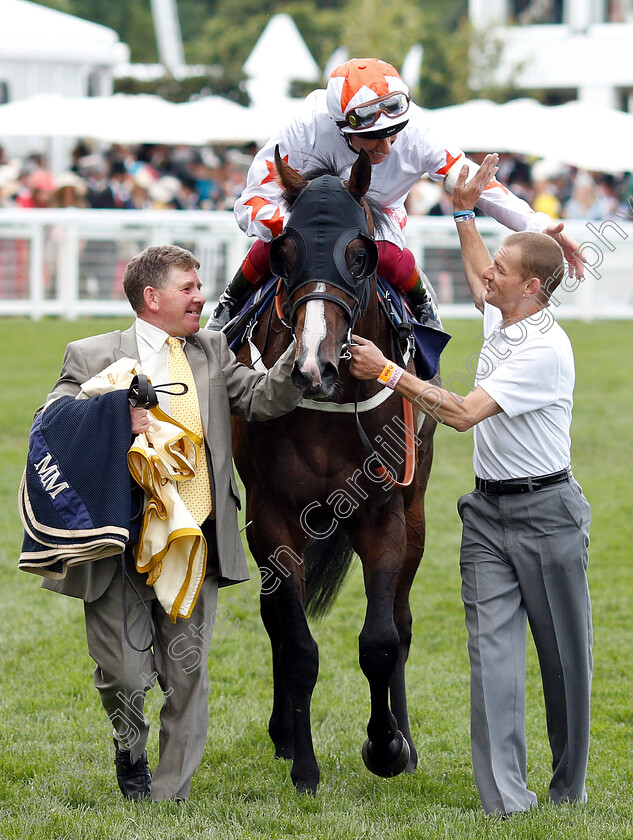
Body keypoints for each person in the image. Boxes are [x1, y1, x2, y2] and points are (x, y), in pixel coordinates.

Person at [347, 154, 592, 816]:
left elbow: (457, 415)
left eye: (504, 272)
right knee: (491, 663)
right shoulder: (504, 314)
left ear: (533, 288)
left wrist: (387, 374)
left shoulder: (542, 348)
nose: (489, 277)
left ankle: (567, 790)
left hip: (548, 515)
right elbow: (482, 275)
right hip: (486, 514)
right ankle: (505, 803)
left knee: (562, 664)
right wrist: (461, 212)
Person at [28, 245, 301, 802]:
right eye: (189, 288)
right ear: (151, 298)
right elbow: (49, 425)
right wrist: (114, 414)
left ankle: (168, 793)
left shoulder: (212, 348)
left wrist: (303, 352)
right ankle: (131, 753)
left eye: (200, 287)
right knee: (124, 677)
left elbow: (258, 399)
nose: (202, 297)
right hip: (118, 541)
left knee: (187, 675)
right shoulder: (90, 353)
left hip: (194, 537)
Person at [208, 57, 584, 331]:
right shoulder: (305, 128)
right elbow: (249, 204)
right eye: (374, 137)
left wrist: (539, 224)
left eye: (394, 132)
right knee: (275, 246)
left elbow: (476, 187)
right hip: (306, 223)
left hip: (379, 222)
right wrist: (299, 226)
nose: (387, 148)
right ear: (342, 127)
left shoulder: (419, 130)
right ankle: (228, 305)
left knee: (390, 256)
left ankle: (425, 315)